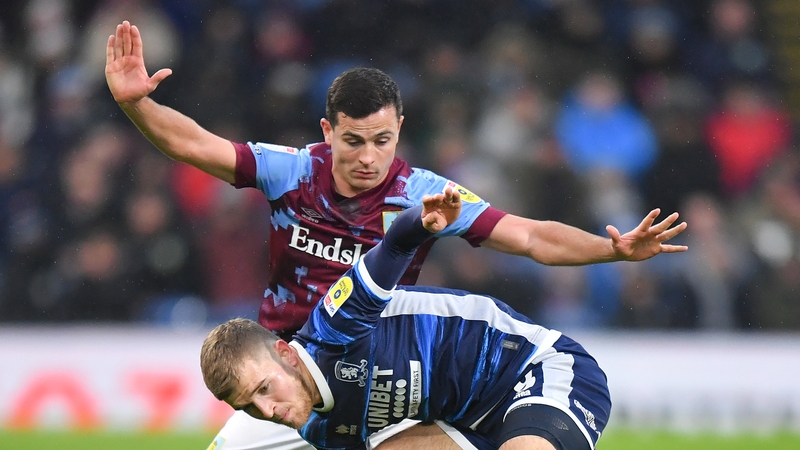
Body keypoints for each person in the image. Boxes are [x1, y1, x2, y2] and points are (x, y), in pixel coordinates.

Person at [105, 20, 687, 450]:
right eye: (353, 141)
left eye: (382, 141)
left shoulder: (426, 194)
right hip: (298, 375)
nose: (368, 157)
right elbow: (196, 146)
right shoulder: (292, 170)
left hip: (395, 370)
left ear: (400, 129)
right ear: (327, 131)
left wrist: (611, 249)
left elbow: (530, 237)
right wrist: (138, 107)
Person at [200, 187, 624, 450]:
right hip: (468, 422)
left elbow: (395, 246)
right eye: (249, 408)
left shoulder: (336, 324)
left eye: (263, 389)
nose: (267, 410)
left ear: (284, 353)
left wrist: (422, 222)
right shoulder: (320, 432)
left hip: (535, 371)